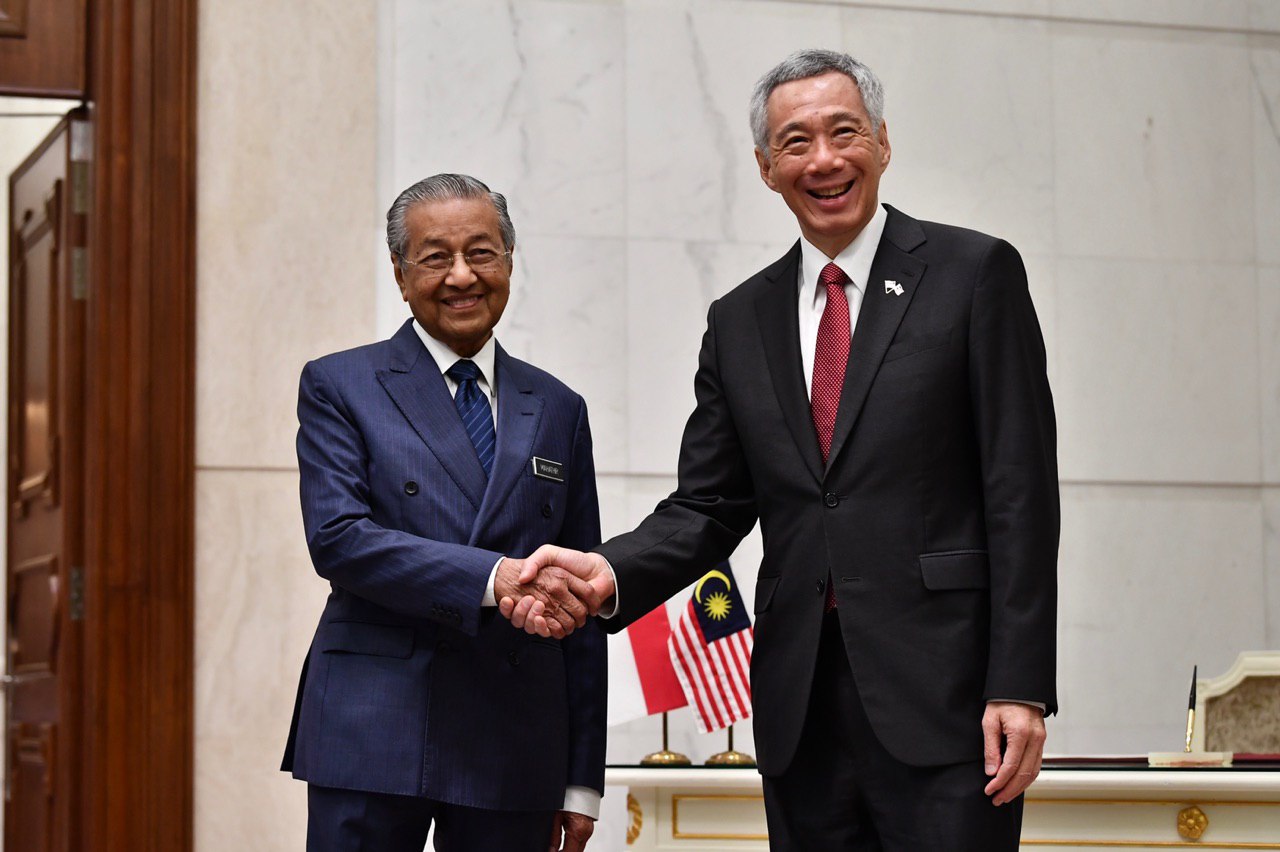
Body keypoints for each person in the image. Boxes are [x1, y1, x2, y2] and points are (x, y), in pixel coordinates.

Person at [505, 49, 1059, 851]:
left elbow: (1021, 493)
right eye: (796, 143)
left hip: (948, 702)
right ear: (766, 168)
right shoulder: (740, 320)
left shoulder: (975, 275)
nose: (824, 159)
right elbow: (709, 504)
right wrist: (610, 572)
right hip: (800, 713)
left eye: (844, 132)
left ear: (883, 143)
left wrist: (1020, 684)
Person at [281, 173, 607, 852]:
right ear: (401, 276)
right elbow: (338, 539)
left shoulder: (557, 408)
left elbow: (579, 596)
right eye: (435, 257)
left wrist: (582, 779)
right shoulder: (340, 385)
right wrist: (495, 580)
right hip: (374, 725)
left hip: (514, 737)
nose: (462, 276)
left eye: (482, 253)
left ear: (509, 263)